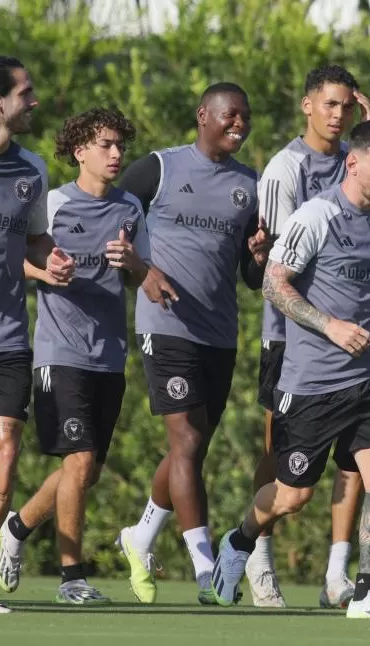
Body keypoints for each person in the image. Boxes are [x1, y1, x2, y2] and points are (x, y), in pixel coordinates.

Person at [211, 120, 370, 621]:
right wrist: (331, 326)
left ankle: (365, 593)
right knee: (293, 495)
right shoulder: (316, 216)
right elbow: (274, 286)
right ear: (355, 162)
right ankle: (238, 541)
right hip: (312, 384)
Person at [114, 82, 271, 604]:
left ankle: (141, 537)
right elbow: (105, 221)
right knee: (185, 442)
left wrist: (258, 254)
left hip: (219, 334)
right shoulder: (158, 169)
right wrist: (141, 270)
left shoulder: (250, 185)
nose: (239, 126)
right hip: (165, 325)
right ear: (204, 114)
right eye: (230, 116)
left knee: (193, 445)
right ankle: (207, 568)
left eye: (246, 118)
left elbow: (251, 276)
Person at [0, 108, 150, 605]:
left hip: (110, 357)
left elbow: (145, 277)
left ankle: (16, 528)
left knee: (86, 472)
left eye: (120, 146)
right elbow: (5, 258)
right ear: (80, 151)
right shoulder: (54, 204)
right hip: (59, 354)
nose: (116, 154)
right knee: (79, 463)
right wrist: (42, 275)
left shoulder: (130, 209)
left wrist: (133, 265)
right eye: (105, 145)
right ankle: (71, 579)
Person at [251, 64, 370, 610]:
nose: (338, 115)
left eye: (347, 107)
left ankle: (337, 571)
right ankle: (255, 553)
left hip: (354, 339)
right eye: (329, 104)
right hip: (291, 337)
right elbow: (279, 267)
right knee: (282, 459)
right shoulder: (286, 169)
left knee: (356, 460)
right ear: (307, 105)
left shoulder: (361, 163)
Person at [0, 55, 74, 614]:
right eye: (25, 93)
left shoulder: (32, 169)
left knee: (3, 463)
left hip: (4, 338)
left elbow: (34, 242)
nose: (34, 102)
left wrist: (51, 260)